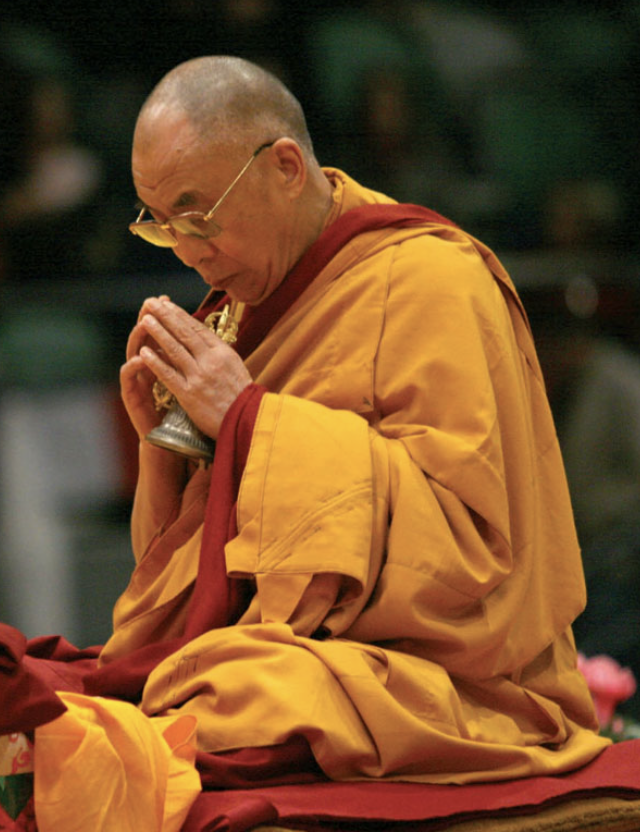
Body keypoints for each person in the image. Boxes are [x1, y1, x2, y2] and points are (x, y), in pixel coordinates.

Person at [2, 55, 609, 828]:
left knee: (220, 700)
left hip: (447, 674)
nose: (184, 251)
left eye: (196, 216)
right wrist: (169, 446)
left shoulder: (431, 282)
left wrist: (252, 418)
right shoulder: (249, 300)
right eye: (159, 222)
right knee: (199, 687)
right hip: (301, 653)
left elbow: (467, 547)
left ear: (285, 166)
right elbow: (183, 582)